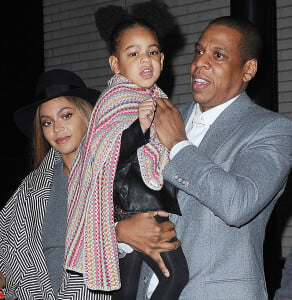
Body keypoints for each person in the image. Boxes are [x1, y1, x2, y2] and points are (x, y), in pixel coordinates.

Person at [125, 16, 292, 300]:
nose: (200, 63)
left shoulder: (271, 129)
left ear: (248, 69)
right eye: (199, 51)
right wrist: (123, 231)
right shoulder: (162, 116)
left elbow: (238, 204)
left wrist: (178, 144)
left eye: (218, 55)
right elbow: (124, 191)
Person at [64, 4, 188, 300]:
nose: (146, 60)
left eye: (153, 52)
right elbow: (106, 149)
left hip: (140, 201)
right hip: (135, 205)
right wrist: (140, 127)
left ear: (163, 58)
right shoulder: (115, 98)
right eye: (134, 53)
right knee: (175, 275)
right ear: (115, 64)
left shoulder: (156, 97)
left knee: (126, 287)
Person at [0, 69, 115, 299]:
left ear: (86, 114)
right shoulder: (32, 187)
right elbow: (3, 249)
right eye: (47, 122)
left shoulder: (114, 173)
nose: (57, 129)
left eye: (66, 115)